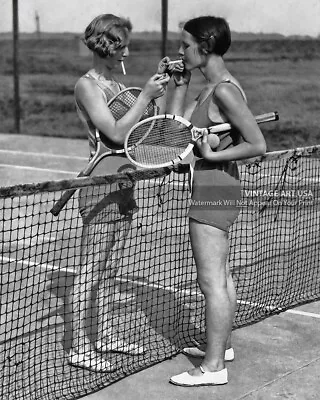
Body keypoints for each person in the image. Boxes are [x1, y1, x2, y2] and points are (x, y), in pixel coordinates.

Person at [166, 16, 267, 386]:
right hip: (219, 185)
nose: (180, 50)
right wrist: (181, 84)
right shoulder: (213, 86)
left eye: (185, 44)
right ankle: (220, 347)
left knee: (211, 282)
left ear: (204, 46)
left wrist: (209, 154)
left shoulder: (224, 90)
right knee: (221, 276)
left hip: (214, 187)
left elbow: (256, 145)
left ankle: (212, 368)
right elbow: (174, 129)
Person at [68, 13, 170, 372]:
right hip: (100, 186)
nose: (127, 52)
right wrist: (144, 94)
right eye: (122, 45)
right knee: (91, 270)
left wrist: (156, 89)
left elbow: (141, 130)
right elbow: (113, 133)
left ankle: (107, 334)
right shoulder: (88, 85)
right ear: (106, 45)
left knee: (110, 268)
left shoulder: (113, 81)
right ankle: (79, 346)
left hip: (126, 182)